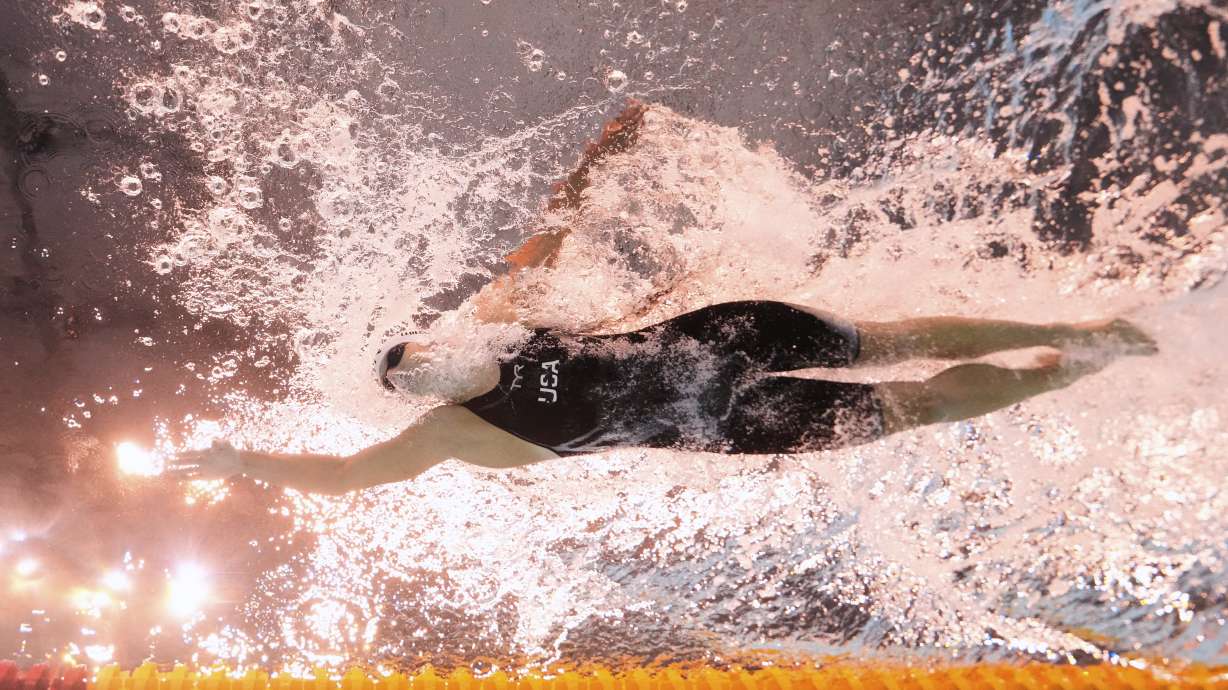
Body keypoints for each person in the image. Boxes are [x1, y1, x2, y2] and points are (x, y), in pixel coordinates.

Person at [168, 103, 1157, 495]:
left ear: (429, 339)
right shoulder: (457, 433)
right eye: (410, 374)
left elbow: (556, 225)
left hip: (725, 340)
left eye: (414, 347)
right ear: (419, 391)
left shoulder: (502, 318)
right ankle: (1077, 363)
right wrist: (237, 459)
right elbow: (348, 479)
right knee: (921, 402)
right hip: (739, 420)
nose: (424, 360)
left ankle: (1074, 333)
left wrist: (605, 151)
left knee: (902, 337)